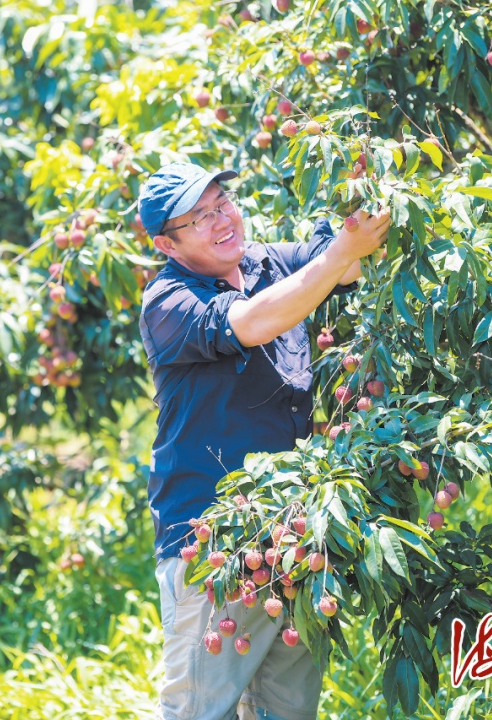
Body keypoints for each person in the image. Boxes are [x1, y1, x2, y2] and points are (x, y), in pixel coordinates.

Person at [137, 162, 391, 720]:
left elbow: (341, 268)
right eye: (198, 217)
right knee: (199, 710)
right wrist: (335, 256)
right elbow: (252, 323)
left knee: (289, 710)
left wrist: (364, 198)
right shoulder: (168, 302)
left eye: (222, 202)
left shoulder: (265, 262)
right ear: (167, 244)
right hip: (211, 541)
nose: (221, 219)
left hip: (291, 536)